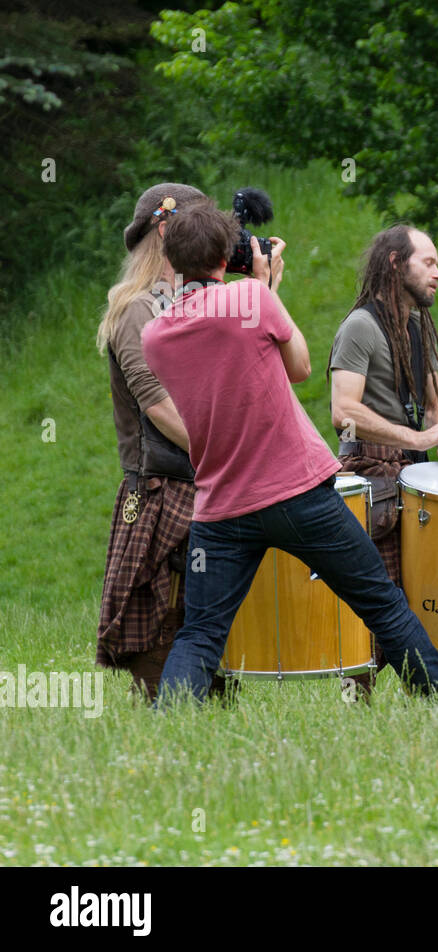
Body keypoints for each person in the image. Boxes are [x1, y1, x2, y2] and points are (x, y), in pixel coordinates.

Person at [141, 198, 438, 703]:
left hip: (221, 506)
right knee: (380, 603)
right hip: (298, 493)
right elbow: (299, 367)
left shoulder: (154, 336)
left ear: (170, 263)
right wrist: (267, 290)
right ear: (227, 257)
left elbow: (209, 361)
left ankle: (169, 720)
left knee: (200, 633)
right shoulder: (255, 299)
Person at [329, 225, 438, 693]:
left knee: (416, 599)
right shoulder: (361, 326)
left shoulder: (413, 327)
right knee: (380, 600)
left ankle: (424, 691)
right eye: (428, 263)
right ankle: (359, 701)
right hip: (371, 478)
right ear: (396, 263)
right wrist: (414, 434)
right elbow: (343, 412)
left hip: (411, 476)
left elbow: (434, 404)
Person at [96, 182, 232, 700]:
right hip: (162, 487)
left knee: (207, 633)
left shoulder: (195, 302)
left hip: (202, 480)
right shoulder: (136, 309)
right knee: (161, 637)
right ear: (165, 230)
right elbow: (157, 403)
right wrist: (220, 450)